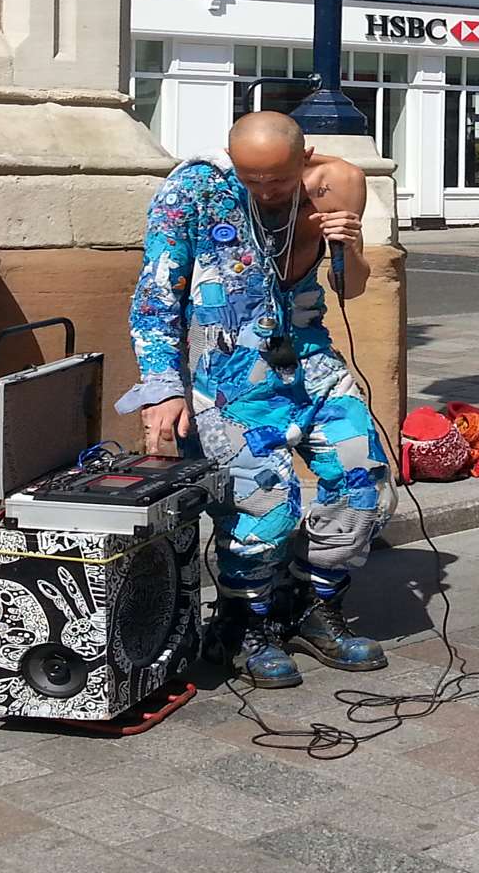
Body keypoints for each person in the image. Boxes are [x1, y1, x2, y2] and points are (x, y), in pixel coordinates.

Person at [120, 111, 396, 689]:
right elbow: (155, 294)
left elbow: (351, 287)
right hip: (226, 378)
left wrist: (348, 245)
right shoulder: (193, 189)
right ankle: (250, 621)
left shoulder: (334, 184)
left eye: (278, 179)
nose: (266, 191)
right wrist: (163, 390)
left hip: (310, 364)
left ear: (306, 157)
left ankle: (313, 605)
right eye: (252, 180)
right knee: (264, 509)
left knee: (364, 481)